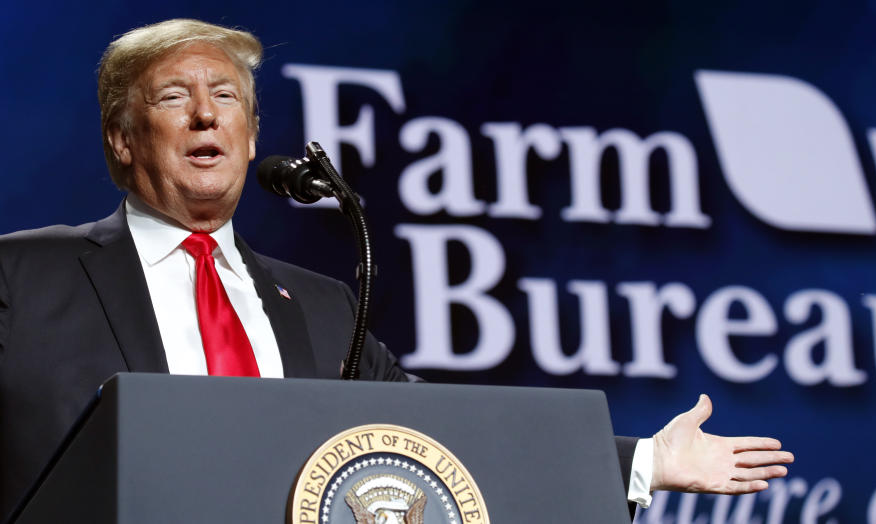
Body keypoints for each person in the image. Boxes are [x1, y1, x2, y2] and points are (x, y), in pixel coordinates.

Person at [0, 19, 792, 520]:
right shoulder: (21, 277)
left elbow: (444, 432)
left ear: (250, 137)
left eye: (229, 98)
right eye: (175, 96)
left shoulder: (318, 305)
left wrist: (644, 461)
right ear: (121, 140)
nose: (207, 114)